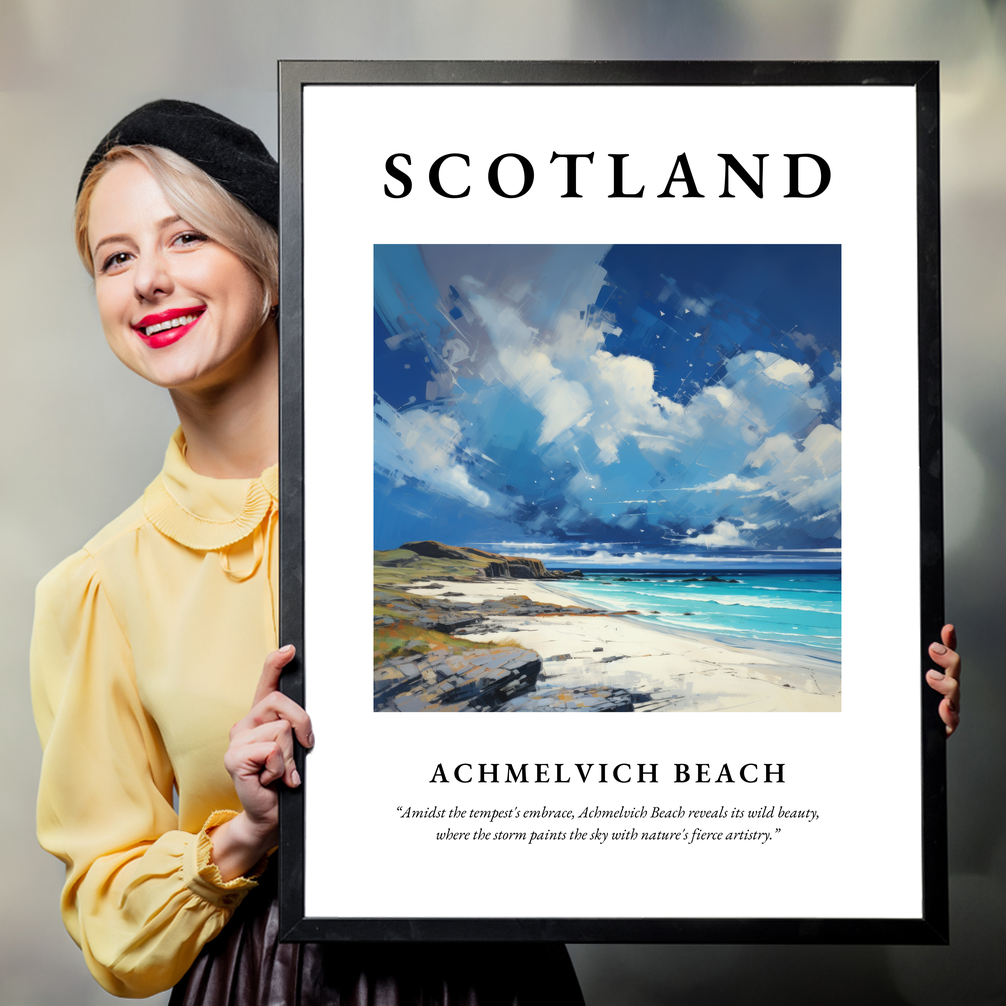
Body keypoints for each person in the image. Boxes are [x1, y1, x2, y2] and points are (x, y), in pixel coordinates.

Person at [30, 100, 585, 1004]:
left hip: (493, 973)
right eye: (116, 257)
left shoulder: (442, 499)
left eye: (186, 239)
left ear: (274, 265)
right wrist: (245, 832)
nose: (148, 281)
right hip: (264, 981)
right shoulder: (97, 586)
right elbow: (110, 924)